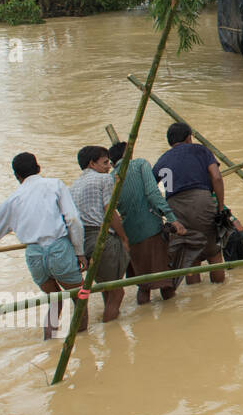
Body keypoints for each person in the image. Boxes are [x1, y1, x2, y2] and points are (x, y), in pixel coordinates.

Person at [0, 153, 86, 339]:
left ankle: (50, 344)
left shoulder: (14, 199)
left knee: (54, 303)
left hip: (34, 255)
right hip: (58, 249)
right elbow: (73, 220)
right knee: (80, 298)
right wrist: (79, 252)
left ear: (17, 176)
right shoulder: (55, 185)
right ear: (38, 167)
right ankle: (82, 340)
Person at [107, 142, 185, 305]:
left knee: (144, 286)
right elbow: (152, 193)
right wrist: (171, 218)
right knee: (165, 283)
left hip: (129, 233)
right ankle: (175, 321)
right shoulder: (140, 164)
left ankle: (144, 322)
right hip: (151, 228)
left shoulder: (110, 177)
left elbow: (111, 209)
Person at [154, 123, 228, 284]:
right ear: (189, 138)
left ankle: (195, 300)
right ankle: (220, 290)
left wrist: (164, 213)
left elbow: (151, 189)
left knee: (189, 255)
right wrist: (220, 207)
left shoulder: (163, 159)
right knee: (213, 252)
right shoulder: (200, 150)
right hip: (201, 202)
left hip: (175, 209)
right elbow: (216, 177)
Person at [69, 145, 133, 323]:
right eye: (105, 163)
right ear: (92, 164)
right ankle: (110, 327)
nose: (109, 167)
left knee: (106, 287)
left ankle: (109, 324)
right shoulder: (104, 179)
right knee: (117, 291)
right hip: (101, 238)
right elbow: (110, 212)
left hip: (83, 242)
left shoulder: (73, 186)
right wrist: (124, 237)